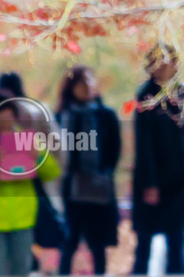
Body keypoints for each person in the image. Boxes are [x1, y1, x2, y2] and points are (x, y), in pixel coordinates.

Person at [0, 93, 64, 277]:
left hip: (23, 218)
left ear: (15, 117)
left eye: (8, 116)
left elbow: (52, 172)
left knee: (21, 270)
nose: (4, 122)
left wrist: (39, 157)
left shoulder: (28, 141)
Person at [132, 43, 184, 275]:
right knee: (145, 241)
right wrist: (150, 182)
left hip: (178, 177)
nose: (162, 65)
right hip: (151, 179)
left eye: (167, 60)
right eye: (157, 61)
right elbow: (144, 143)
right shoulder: (145, 95)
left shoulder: (182, 93)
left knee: (176, 241)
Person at [58, 66, 123, 275]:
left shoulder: (106, 115)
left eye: (90, 82)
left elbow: (114, 148)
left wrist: (104, 172)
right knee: (68, 241)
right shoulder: (62, 116)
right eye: (81, 83)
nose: (86, 88)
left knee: (98, 243)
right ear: (71, 87)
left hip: (99, 187)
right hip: (70, 189)